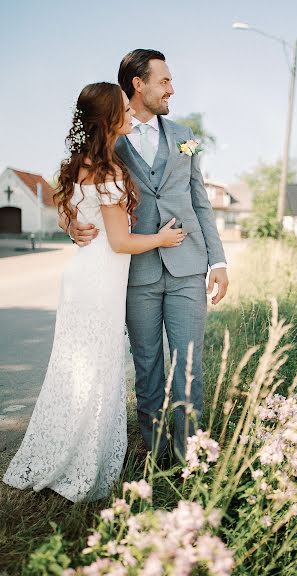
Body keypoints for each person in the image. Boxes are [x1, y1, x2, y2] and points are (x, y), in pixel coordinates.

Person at [2, 82, 185, 502]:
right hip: (100, 276)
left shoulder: (81, 162)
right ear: (110, 119)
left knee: (74, 367)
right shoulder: (109, 171)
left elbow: (71, 215)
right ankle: (82, 462)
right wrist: (161, 239)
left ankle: (64, 452)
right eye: (124, 106)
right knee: (95, 369)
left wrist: (72, 227)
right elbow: (120, 242)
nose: (132, 109)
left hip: (82, 274)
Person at [69, 50, 229, 462]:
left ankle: (190, 454)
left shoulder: (184, 135)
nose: (171, 89)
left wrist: (219, 261)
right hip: (134, 269)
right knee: (148, 368)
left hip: (187, 266)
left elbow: (200, 200)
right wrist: (70, 226)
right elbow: (75, 189)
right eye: (164, 81)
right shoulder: (111, 135)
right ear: (137, 84)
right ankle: (154, 454)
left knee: (190, 367)